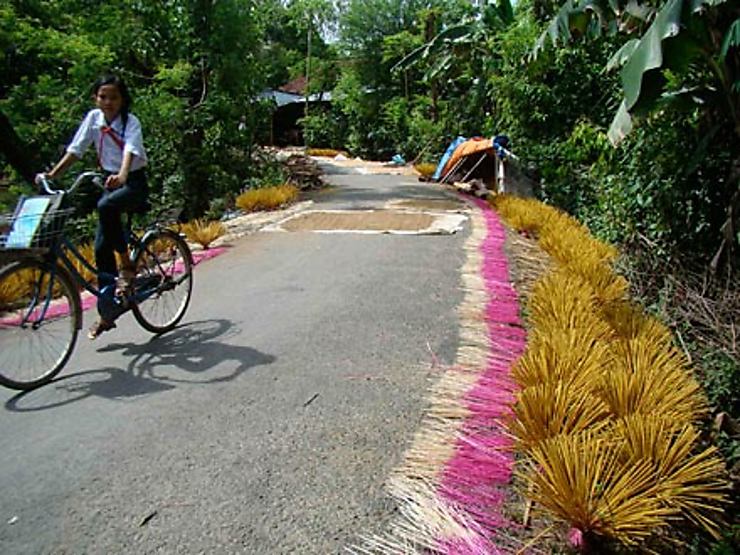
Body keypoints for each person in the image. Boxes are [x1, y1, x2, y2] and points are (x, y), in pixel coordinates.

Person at [36, 74, 149, 339]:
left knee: (106, 207)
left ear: (122, 100)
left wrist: (122, 175)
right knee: (100, 249)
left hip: (132, 182)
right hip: (110, 182)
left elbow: (129, 152)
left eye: (114, 97)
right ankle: (107, 313)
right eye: (103, 97)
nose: (108, 102)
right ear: (95, 98)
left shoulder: (130, 122)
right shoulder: (93, 120)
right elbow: (76, 150)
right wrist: (52, 175)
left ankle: (126, 266)